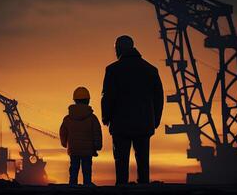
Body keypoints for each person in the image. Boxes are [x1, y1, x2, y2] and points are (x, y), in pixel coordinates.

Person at [101, 35, 164, 185]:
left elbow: (108, 96)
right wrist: (155, 120)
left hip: (120, 124)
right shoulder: (150, 70)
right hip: (144, 123)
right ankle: (143, 186)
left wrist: (106, 117)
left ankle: (121, 188)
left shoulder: (113, 70)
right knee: (143, 160)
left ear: (119, 48)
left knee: (121, 161)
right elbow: (159, 98)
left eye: (116, 48)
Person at [60, 87, 102, 186]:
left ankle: (72, 184)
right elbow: (97, 132)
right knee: (87, 168)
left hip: (74, 149)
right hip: (87, 150)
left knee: (74, 167)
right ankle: (87, 184)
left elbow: (63, 132)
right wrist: (98, 146)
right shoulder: (92, 118)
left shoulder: (67, 118)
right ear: (88, 101)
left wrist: (64, 143)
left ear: (74, 100)